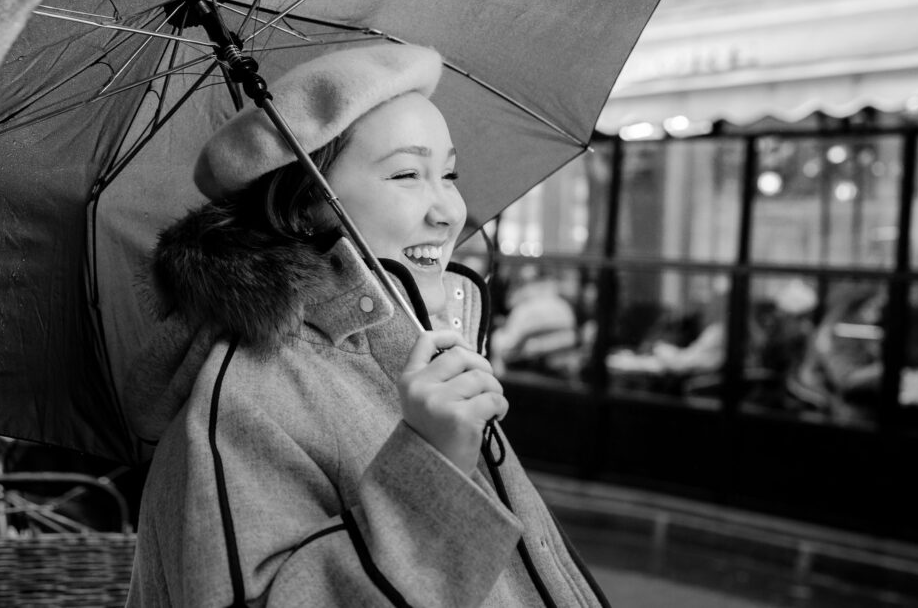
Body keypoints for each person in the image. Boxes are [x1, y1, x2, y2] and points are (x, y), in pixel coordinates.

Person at [124, 44, 607, 607]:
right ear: (304, 207)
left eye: (448, 173)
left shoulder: (413, 345)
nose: (448, 211)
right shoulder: (249, 393)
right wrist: (434, 466)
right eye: (407, 174)